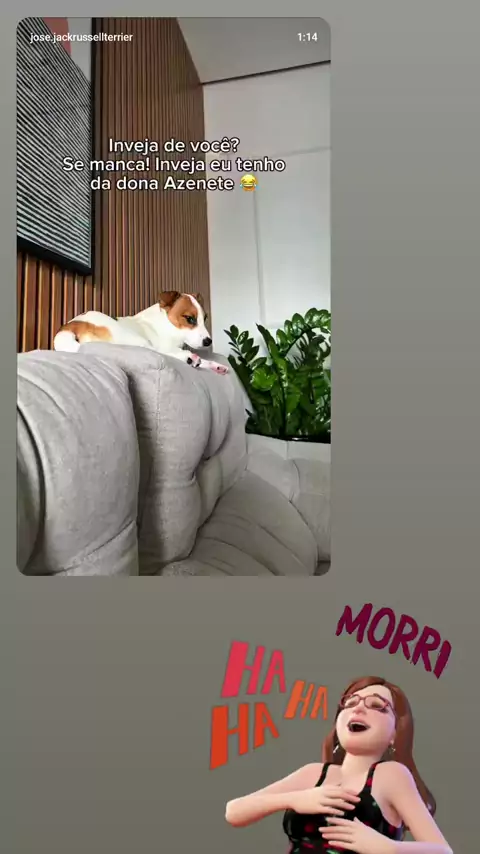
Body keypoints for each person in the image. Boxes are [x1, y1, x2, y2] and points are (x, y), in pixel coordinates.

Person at [225, 676, 453, 854]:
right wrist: (294, 799)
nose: (358, 709)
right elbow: (234, 811)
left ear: (395, 733)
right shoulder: (314, 773)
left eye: (377, 706)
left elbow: (442, 851)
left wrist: (388, 848)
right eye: (350, 703)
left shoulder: (390, 775)